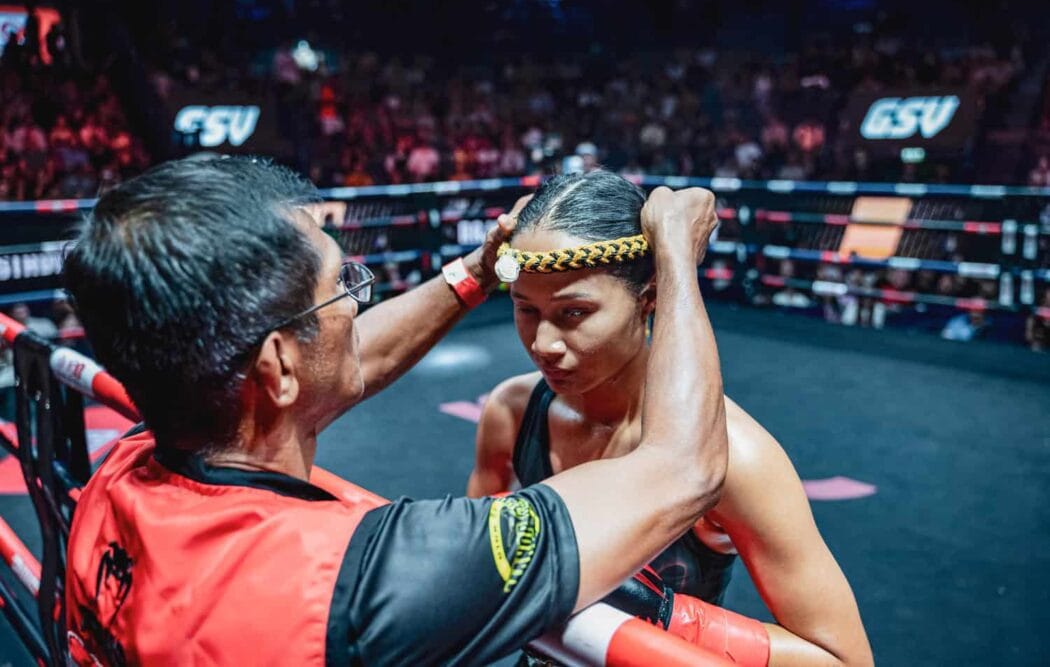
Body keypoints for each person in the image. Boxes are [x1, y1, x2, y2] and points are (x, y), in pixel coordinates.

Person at [61, 156, 730, 665]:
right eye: (339, 290)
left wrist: (474, 272)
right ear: (278, 366)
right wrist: (675, 256)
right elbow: (682, 466)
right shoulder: (366, 579)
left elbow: (341, 362)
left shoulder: (118, 474)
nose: (356, 305)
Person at [469, 171, 873, 666]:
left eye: (574, 313)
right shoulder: (512, 411)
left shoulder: (731, 453)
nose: (544, 345)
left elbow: (843, 659)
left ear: (650, 296)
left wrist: (665, 618)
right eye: (526, 310)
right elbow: (479, 574)